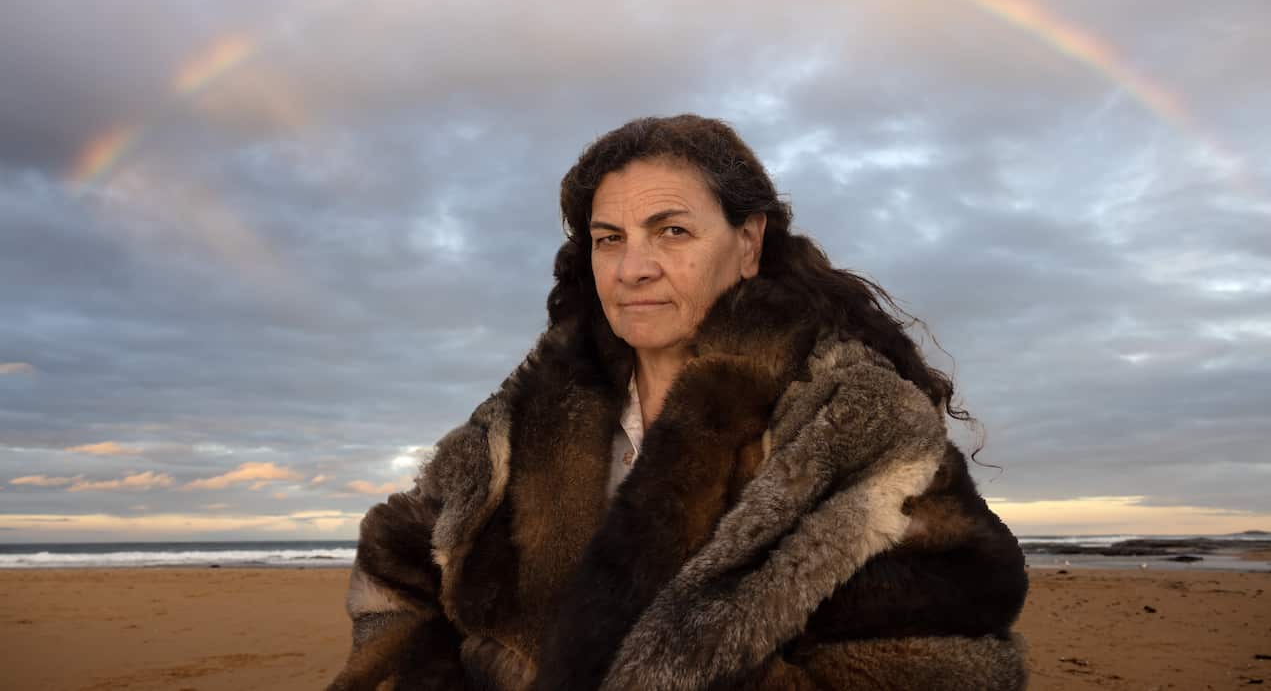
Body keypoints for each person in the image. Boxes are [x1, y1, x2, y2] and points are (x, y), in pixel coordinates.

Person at [327, 115, 1028, 690]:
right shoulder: (528, 416)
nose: (634, 268)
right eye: (610, 240)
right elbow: (399, 567)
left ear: (748, 242)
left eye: (673, 231)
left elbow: (948, 655)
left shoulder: (853, 423)